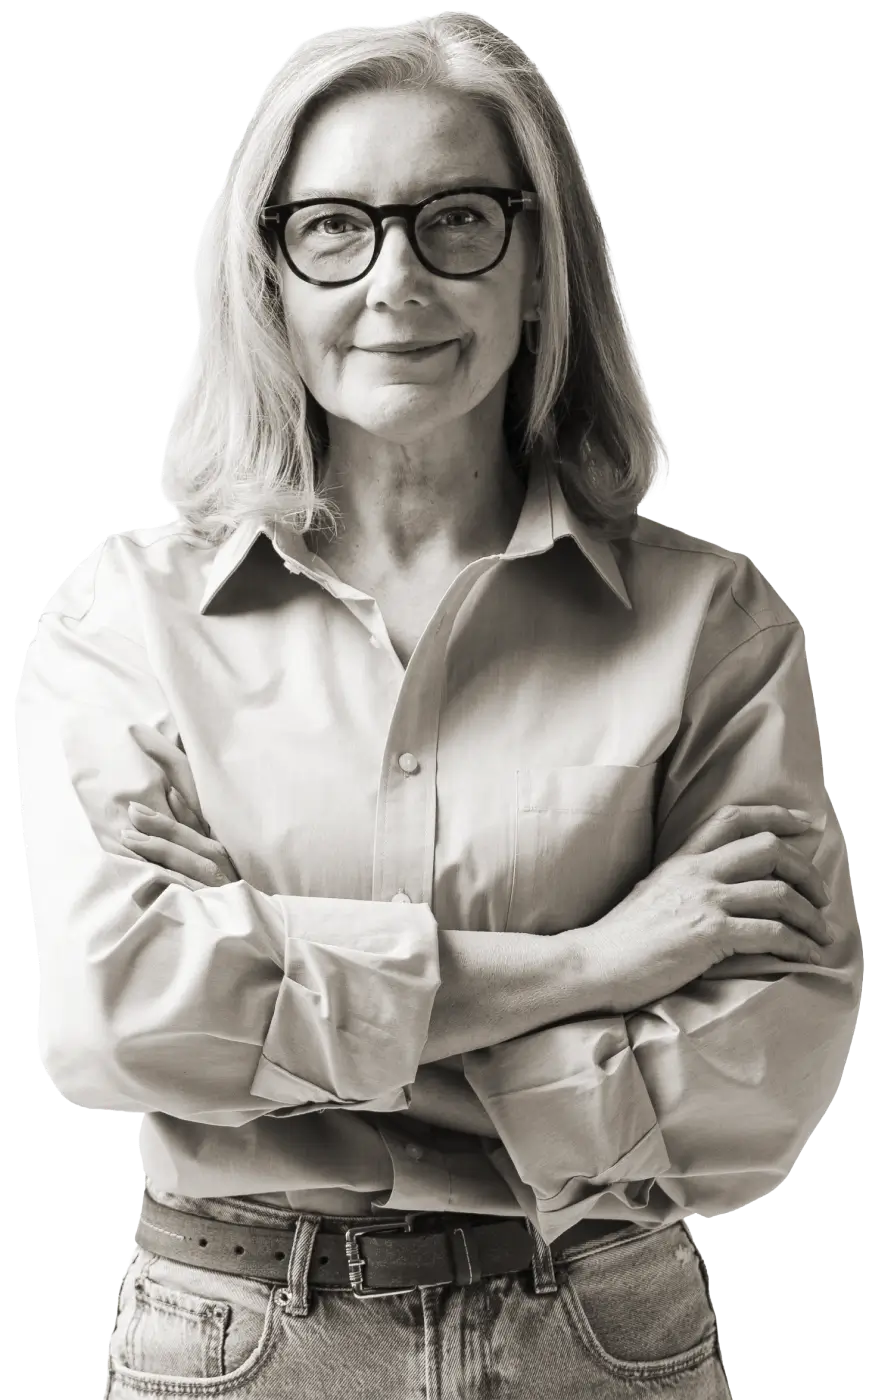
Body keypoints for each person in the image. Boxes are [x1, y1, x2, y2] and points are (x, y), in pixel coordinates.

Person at [19, 15, 861, 1400]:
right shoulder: (134, 625)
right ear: (268, 276)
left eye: (457, 219)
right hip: (244, 1338)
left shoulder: (712, 625)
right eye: (335, 228)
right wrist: (604, 963)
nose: (397, 278)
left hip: (601, 1331)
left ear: (541, 267)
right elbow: (113, 1017)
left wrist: (275, 1013)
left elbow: (761, 1086)